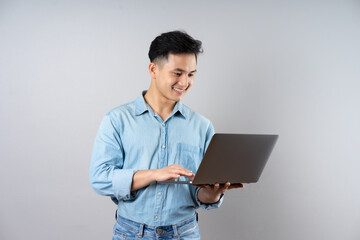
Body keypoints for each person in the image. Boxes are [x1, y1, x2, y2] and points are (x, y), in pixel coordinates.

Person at [89, 30, 243, 240]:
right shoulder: (117, 120)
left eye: (191, 74)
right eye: (177, 73)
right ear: (153, 69)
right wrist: (154, 174)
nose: (184, 82)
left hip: (184, 233)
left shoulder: (202, 126)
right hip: (131, 233)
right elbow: (100, 178)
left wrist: (213, 193)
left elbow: (198, 193)